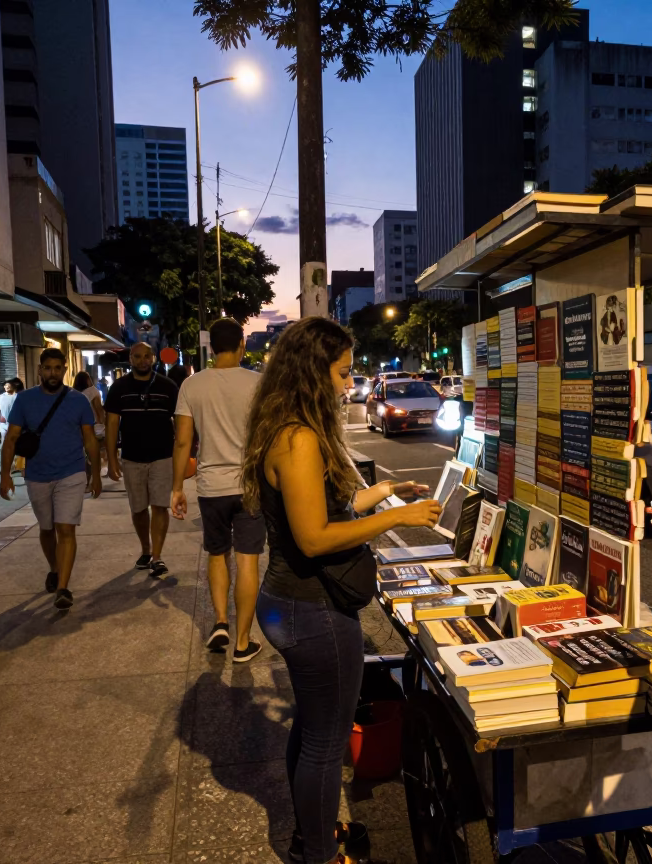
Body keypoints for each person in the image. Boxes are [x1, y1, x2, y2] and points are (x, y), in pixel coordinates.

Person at [241, 317, 439, 864]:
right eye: (343, 372)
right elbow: (313, 537)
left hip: (292, 605)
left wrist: (384, 492)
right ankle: (322, 854)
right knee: (326, 745)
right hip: (313, 609)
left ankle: (313, 838)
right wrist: (404, 518)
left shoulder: (285, 427)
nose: (348, 384)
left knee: (310, 729)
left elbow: (327, 510)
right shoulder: (299, 438)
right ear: (313, 371)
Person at [171, 319, 265, 661]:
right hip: (250, 486)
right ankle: (243, 642)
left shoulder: (192, 386)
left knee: (217, 553)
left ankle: (221, 622)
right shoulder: (259, 384)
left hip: (211, 487)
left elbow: (183, 441)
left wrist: (177, 487)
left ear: (211, 348)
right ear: (242, 345)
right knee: (248, 561)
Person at [0, 348, 101, 610]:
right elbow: (11, 438)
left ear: (64, 370)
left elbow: (89, 439)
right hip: (37, 474)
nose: (53, 373)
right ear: (40, 370)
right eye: (48, 368)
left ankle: (64, 588)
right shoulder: (24, 399)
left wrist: (97, 473)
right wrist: (4, 475)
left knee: (66, 528)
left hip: (72, 471)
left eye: (58, 368)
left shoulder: (78, 400)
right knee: (47, 528)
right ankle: (54, 568)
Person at [105, 343, 179, 577]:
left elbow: (179, 422)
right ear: (130, 359)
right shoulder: (119, 388)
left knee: (159, 505)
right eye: (138, 356)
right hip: (132, 457)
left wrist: (184, 454)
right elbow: (112, 425)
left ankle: (157, 557)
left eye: (147, 356)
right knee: (138, 509)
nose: (143, 360)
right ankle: (145, 549)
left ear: (154, 358)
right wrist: (112, 459)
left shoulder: (168, 387)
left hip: (162, 456)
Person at [74, 370, 107, 490]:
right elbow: (99, 410)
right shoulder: (93, 391)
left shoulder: (74, 393)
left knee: (85, 456)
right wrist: (104, 424)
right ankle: (94, 480)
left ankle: (86, 482)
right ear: (88, 380)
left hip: (79, 429)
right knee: (95, 455)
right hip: (95, 428)